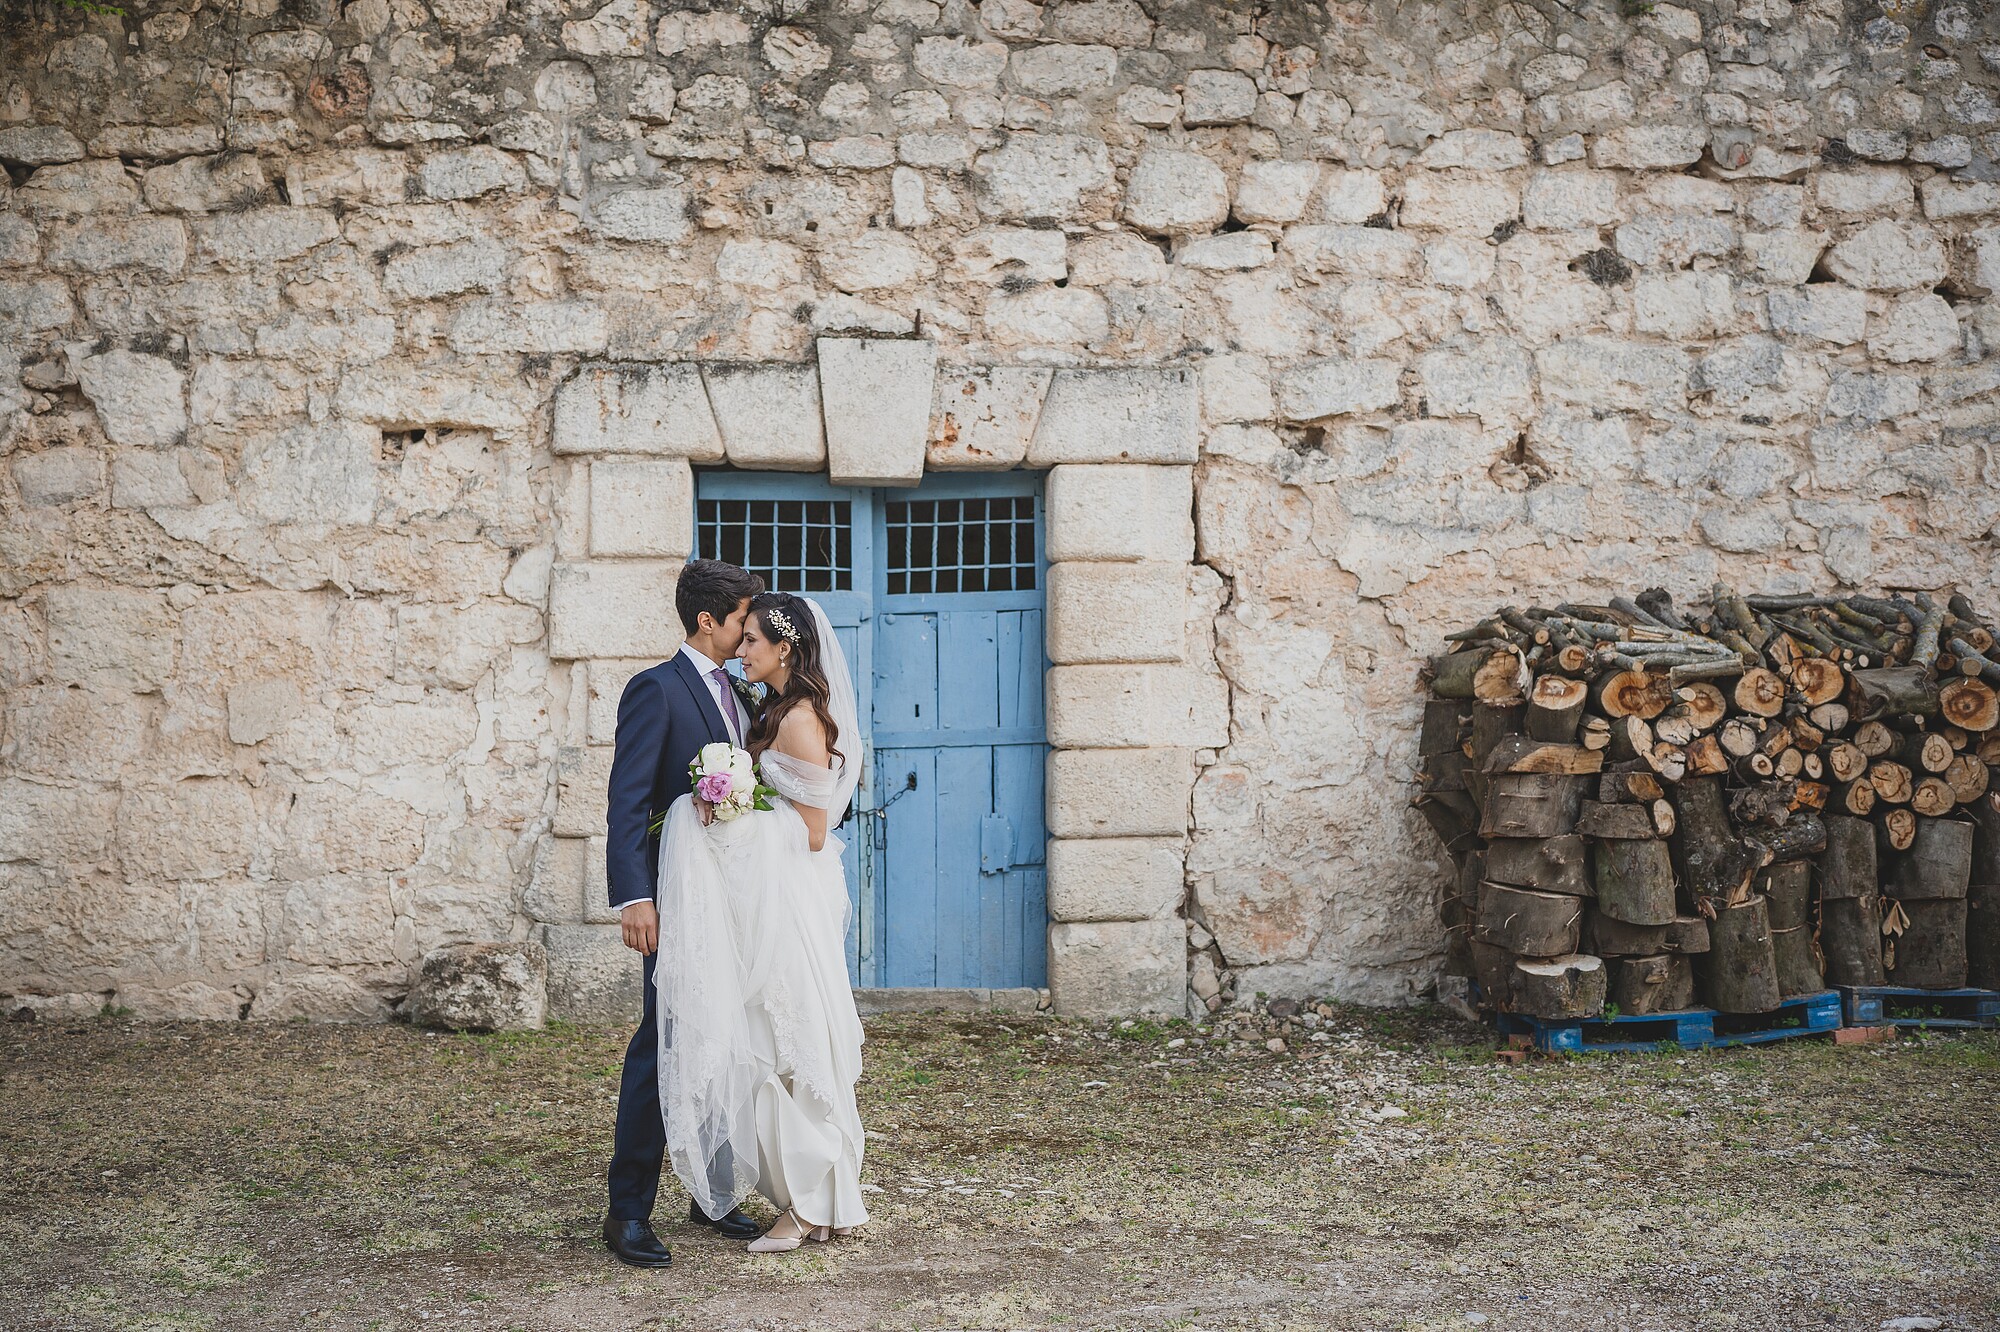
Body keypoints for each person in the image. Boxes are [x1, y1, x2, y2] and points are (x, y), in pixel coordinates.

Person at [653, 591, 871, 1253]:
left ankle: (810, 1208)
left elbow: (809, 830)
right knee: (775, 1038)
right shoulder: (775, 709)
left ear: (784, 648)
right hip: (772, 899)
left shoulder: (801, 719)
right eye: (740, 637)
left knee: (791, 1040)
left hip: (791, 902)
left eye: (751, 641)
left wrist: (728, 813)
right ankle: (819, 1201)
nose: (740, 650)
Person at [601, 559, 767, 1268]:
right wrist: (634, 897)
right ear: (708, 620)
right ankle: (628, 1210)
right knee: (662, 1039)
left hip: (731, 897)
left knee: (727, 1033)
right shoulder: (656, 690)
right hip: (674, 900)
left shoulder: (742, 694)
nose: (748, 631)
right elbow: (627, 799)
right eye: (741, 619)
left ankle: (713, 1191)